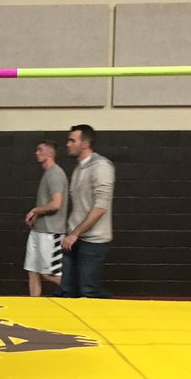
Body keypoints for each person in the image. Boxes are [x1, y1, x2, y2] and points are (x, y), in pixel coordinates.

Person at [60, 124, 115, 298]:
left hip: (93, 241)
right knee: (68, 290)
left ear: (85, 144)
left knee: (88, 291)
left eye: (72, 140)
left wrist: (75, 233)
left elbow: (100, 207)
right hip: (74, 239)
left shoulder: (101, 167)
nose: (68, 144)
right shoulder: (78, 169)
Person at [23, 140, 67, 296]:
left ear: (50, 153)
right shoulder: (48, 173)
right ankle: (34, 306)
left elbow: (56, 204)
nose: (37, 153)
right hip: (38, 231)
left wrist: (35, 210)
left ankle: (74, 294)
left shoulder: (55, 173)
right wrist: (37, 215)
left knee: (49, 274)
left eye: (40, 150)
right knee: (32, 271)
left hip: (51, 232)